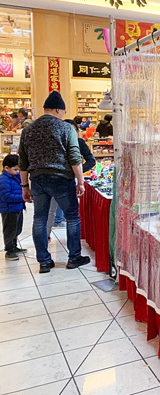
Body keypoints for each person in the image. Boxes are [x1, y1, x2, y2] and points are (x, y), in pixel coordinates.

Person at [18, 91, 89, 274]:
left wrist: (24, 186)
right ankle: (74, 257)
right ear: (58, 109)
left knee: (39, 219)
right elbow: (74, 156)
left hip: (38, 179)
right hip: (62, 178)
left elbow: (23, 161)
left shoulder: (28, 130)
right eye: (63, 112)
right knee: (72, 217)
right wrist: (80, 181)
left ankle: (44, 261)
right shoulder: (66, 129)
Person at [49, 119, 97, 236]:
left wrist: (78, 172)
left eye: (73, 130)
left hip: (71, 180)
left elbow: (91, 160)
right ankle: (47, 236)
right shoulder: (55, 141)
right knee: (51, 210)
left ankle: (74, 244)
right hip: (55, 179)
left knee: (72, 213)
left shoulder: (79, 142)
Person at [0, 154, 25, 261]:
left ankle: (14, 246)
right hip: (9, 209)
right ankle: (9, 250)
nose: (17, 172)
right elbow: (6, 196)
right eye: (15, 169)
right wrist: (22, 197)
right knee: (10, 230)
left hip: (18, 208)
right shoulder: (3, 180)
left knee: (17, 229)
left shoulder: (15, 177)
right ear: (6, 168)